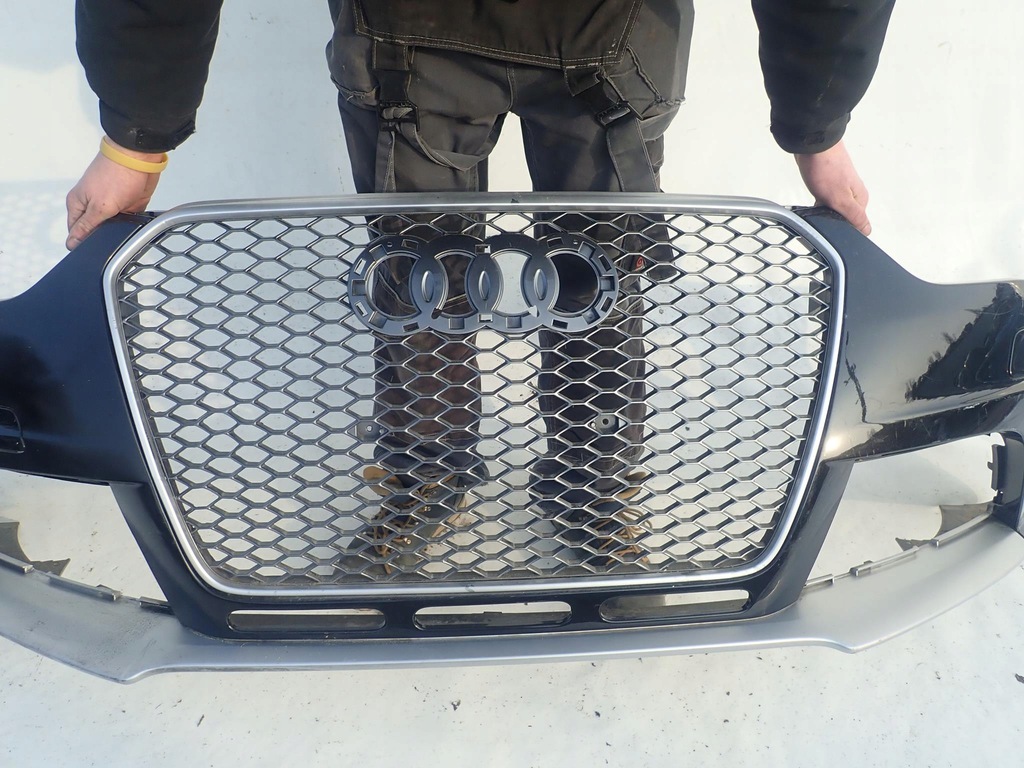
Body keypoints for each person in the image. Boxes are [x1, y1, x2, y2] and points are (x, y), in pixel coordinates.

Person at [66, 0, 894, 572]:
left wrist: (817, 123)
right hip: (406, 34)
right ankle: (429, 471)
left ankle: (594, 481)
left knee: (597, 274)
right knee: (420, 274)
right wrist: (136, 134)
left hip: (615, 31)